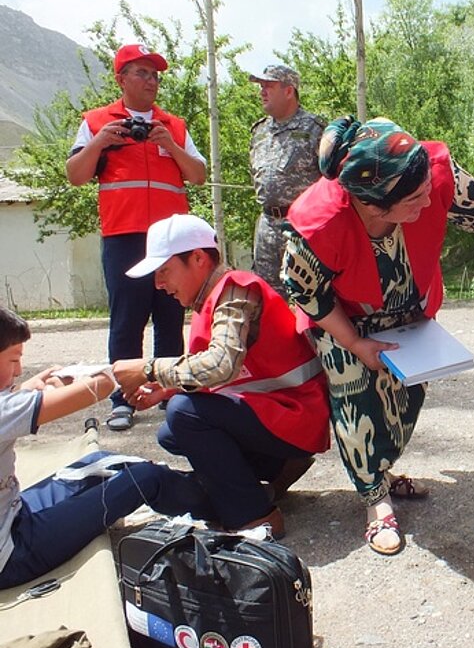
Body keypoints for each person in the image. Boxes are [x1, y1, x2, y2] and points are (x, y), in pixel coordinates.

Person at [282, 116, 474, 555]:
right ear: (374, 207)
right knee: (356, 398)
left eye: (428, 190)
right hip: (343, 318)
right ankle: (374, 500)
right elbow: (306, 291)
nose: (429, 201)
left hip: (408, 307)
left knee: (404, 401)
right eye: (415, 200)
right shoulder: (318, 223)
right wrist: (354, 343)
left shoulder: (429, 169)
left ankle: (381, 467)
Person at [112, 214, 329, 539]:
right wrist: (163, 390)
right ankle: (277, 469)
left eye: (164, 271)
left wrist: (148, 369)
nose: (158, 284)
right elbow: (230, 371)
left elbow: (220, 365)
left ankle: (255, 516)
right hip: (282, 412)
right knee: (171, 431)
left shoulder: (236, 291)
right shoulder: (216, 297)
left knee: (185, 415)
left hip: (298, 415)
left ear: (198, 258)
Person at [0, 306, 214, 590]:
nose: (18, 370)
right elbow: (93, 392)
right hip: (14, 553)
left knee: (100, 463)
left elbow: (14, 403)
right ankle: (229, 504)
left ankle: (202, 487)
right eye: (13, 360)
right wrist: (124, 373)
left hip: (15, 513)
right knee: (145, 479)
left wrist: (31, 386)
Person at [65, 44, 207, 432]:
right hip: (124, 236)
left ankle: (170, 393)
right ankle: (123, 398)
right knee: (126, 319)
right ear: (121, 79)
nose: (151, 81)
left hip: (170, 241)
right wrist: (99, 143)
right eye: (142, 73)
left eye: (155, 74)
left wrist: (170, 146)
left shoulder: (173, 125)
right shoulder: (96, 122)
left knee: (169, 315)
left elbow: (197, 174)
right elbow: (75, 175)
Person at [248, 65, 326, 298]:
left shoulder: (316, 129)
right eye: (261, 87)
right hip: (268, 227)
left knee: (310, 296)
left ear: (289, 91)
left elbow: (331, 182)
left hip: (304, 228)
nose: (262, 92)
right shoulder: (259, 131)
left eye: (269, 86)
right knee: (268, 300)